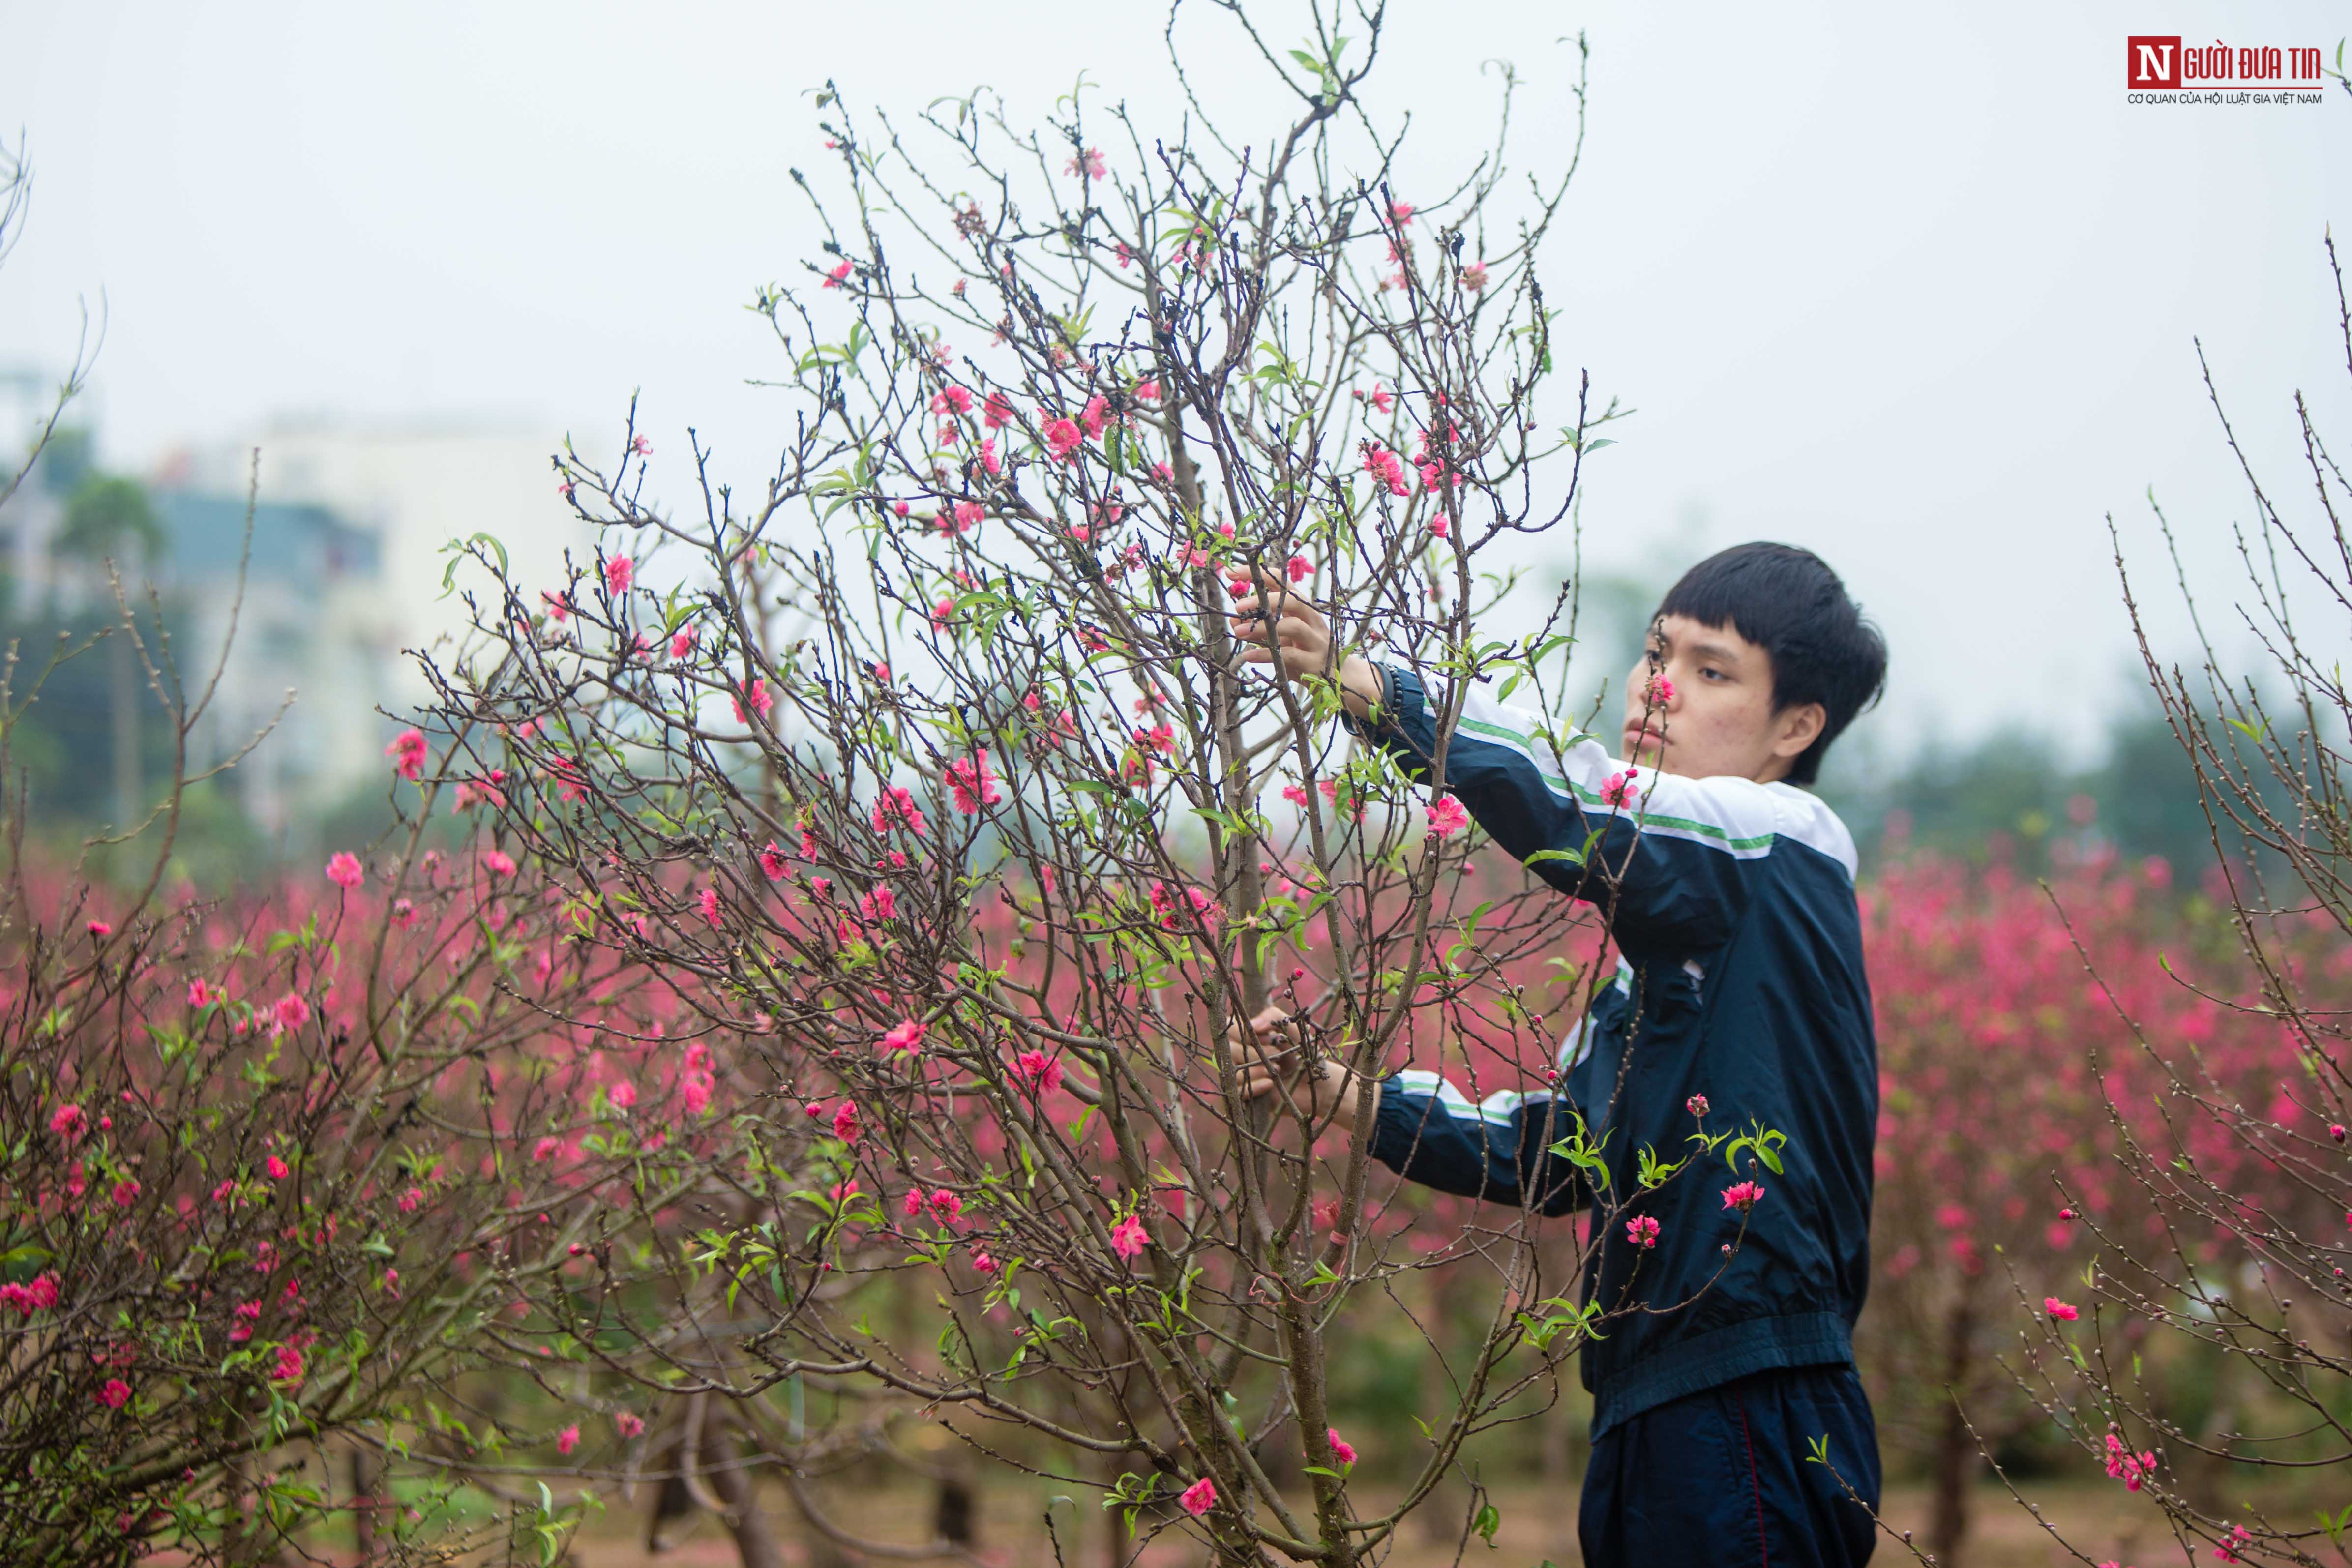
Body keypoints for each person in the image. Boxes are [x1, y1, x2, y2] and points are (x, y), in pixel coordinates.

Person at [1227, 541, 1890, 1567]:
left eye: (1710, 672)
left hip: (1746, 1396)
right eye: (1655, 652)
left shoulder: (1777, 842)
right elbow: (1558, 1151)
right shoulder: (1674, 957)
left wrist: (1366, 685)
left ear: (1795, 727)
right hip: (1656, 1394)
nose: (1656, 687)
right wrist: (1340, 1093)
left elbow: (1574, 805)